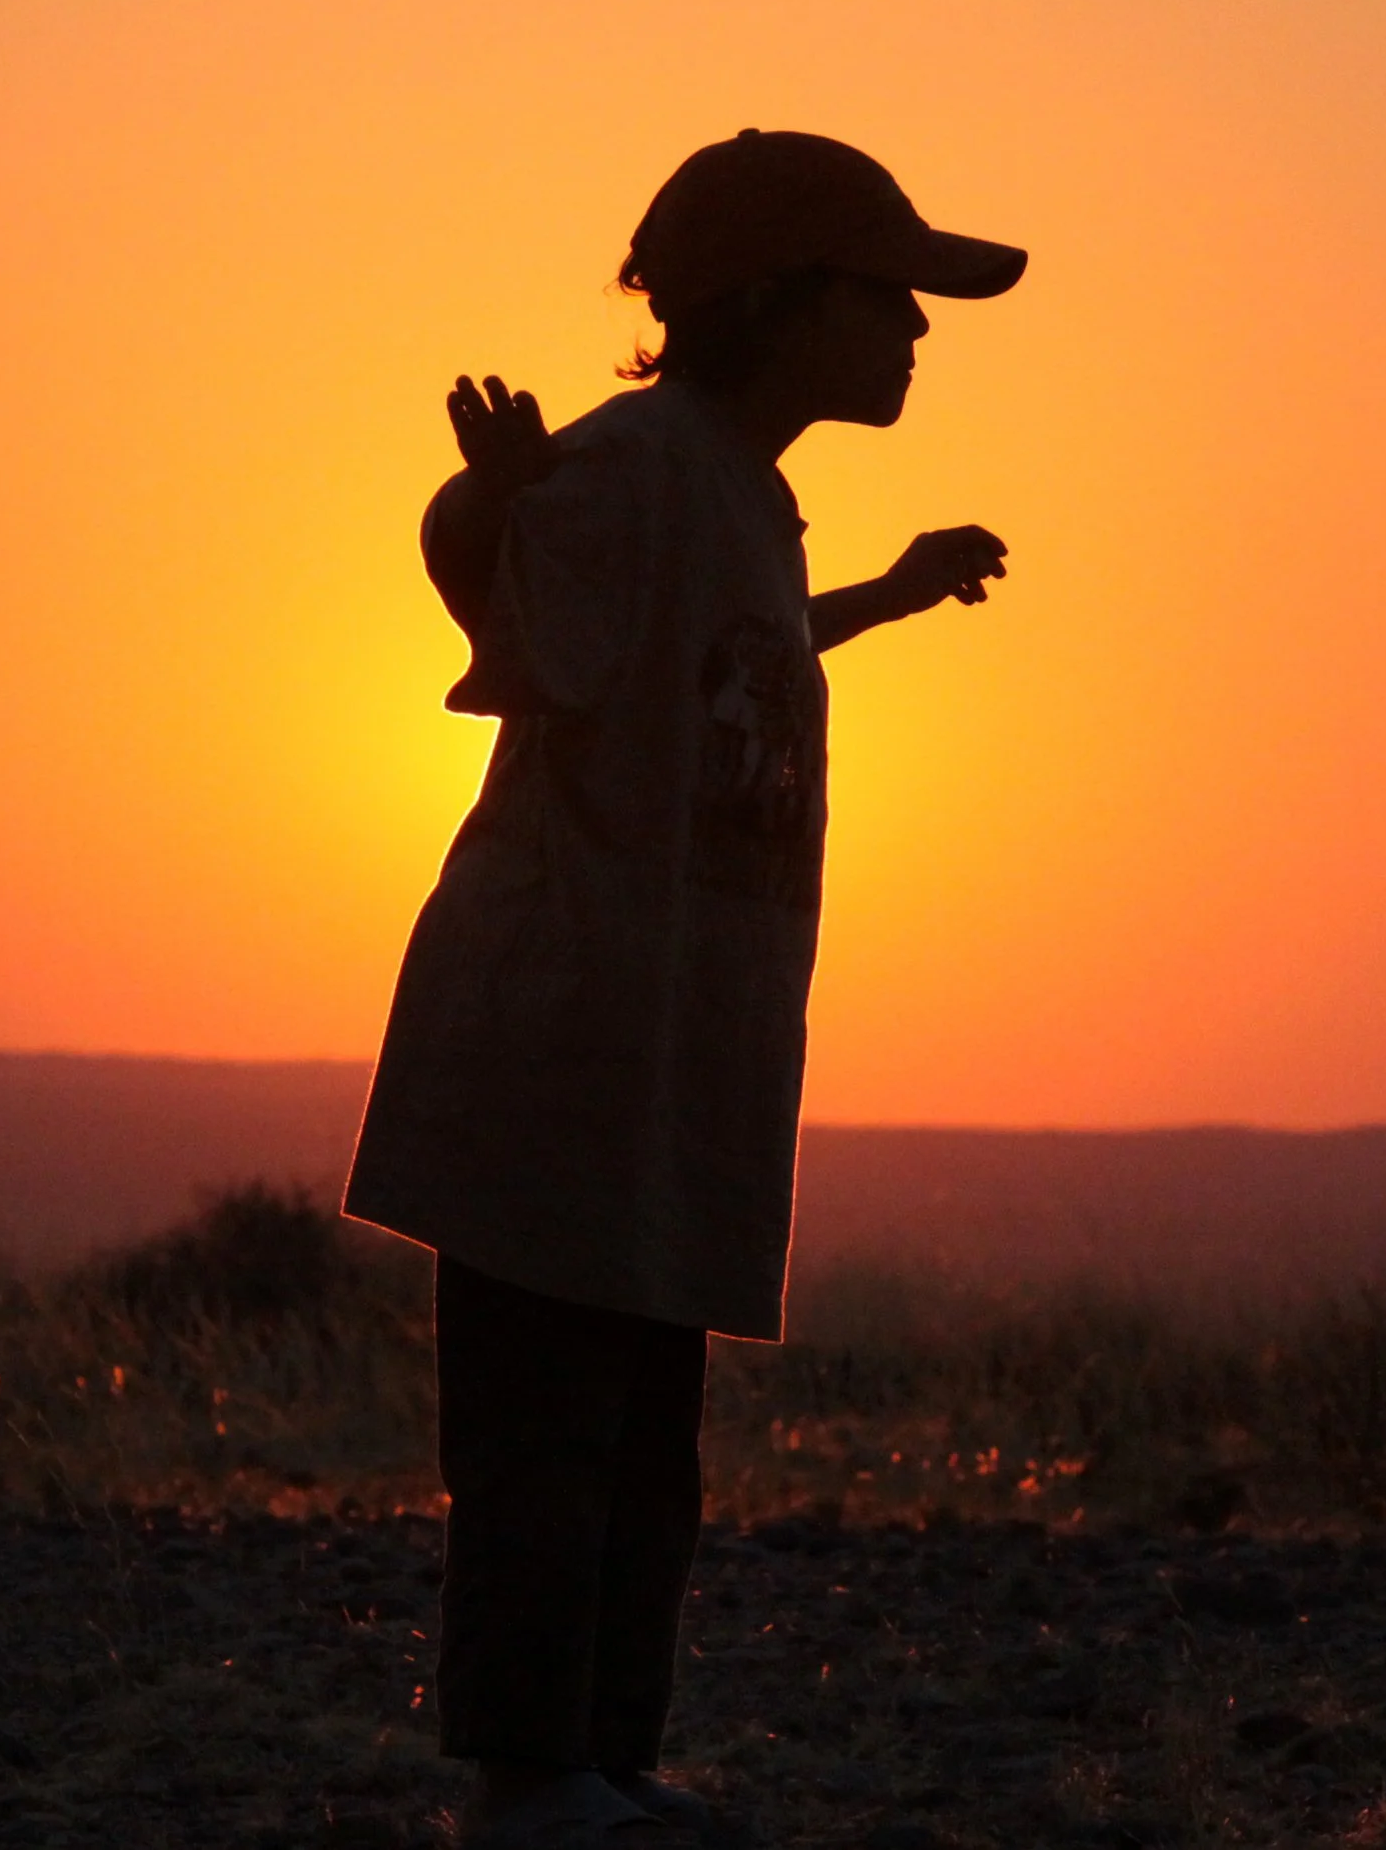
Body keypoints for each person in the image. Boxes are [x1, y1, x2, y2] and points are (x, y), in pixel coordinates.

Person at [343, 129, 1026, 1849]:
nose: (919, 333)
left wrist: (891, 590)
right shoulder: (644, 465)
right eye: (890, 297)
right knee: (547, 1434)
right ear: (779, 300)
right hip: (564, 1039)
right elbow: (516, 594)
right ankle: (524, 1781)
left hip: (657, 1052)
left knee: (644, 1440)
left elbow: (736, 648)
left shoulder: (734, 482)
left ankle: (600, 1766)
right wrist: (488, 508)